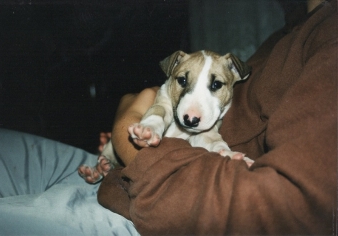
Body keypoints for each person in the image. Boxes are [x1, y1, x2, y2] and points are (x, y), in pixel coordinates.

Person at [97, 0, 337, 235]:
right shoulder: (281, 36)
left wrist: (126, 126)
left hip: (163, 187)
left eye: (215, 85)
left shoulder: (328, 33)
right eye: (183, 81)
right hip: (136, 181)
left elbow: (292, 204)